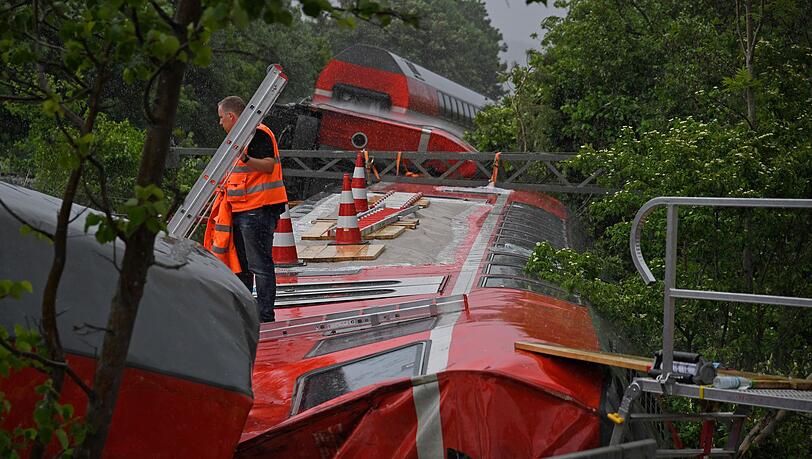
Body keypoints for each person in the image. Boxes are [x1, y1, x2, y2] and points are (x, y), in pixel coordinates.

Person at [214, 95, 287, 323]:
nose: (220, 123)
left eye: (221, 118)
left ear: (231, 116)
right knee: (243, 266)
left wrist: (245, 158)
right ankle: (248, 313)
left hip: (258, 209)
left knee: (259, 265)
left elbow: (268, 165)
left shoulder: (257, 133)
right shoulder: (240, 138)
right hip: (243, 208)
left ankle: (264, 315)